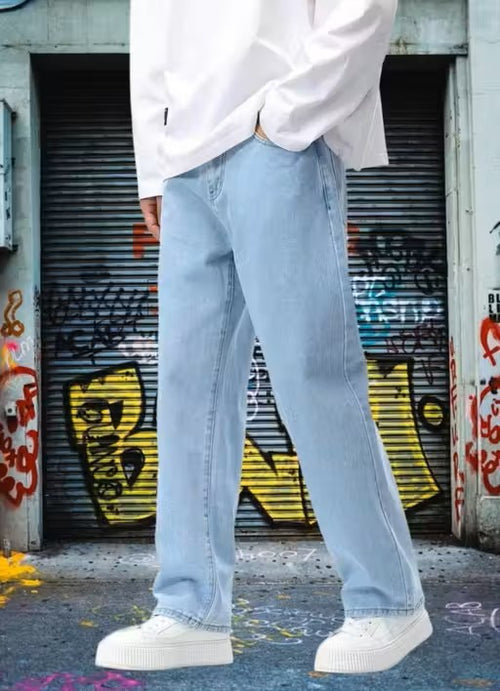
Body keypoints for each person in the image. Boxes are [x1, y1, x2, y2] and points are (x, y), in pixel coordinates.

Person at [96, 0, 433, 675]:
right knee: (189, 391)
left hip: (274, 136)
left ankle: (388, 601)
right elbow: (152, 23)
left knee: (312, 372)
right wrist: (152, 163)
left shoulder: (280, 123)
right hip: (186, 157)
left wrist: (287, 115)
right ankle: (190, 608)